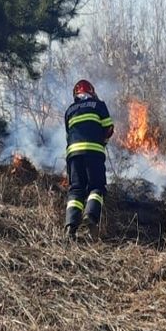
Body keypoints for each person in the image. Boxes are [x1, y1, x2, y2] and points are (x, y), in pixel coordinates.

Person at [64, 79, 114, 241]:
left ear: (76, 95)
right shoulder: (98, 105)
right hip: (93, 153)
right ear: (92, 92)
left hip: (73, 155)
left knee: (76, 189)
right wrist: (103, 141)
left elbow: (69, 134)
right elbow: (109, 128)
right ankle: (90, 217)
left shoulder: (70, 110)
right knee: (96, 187)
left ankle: (70, 226)